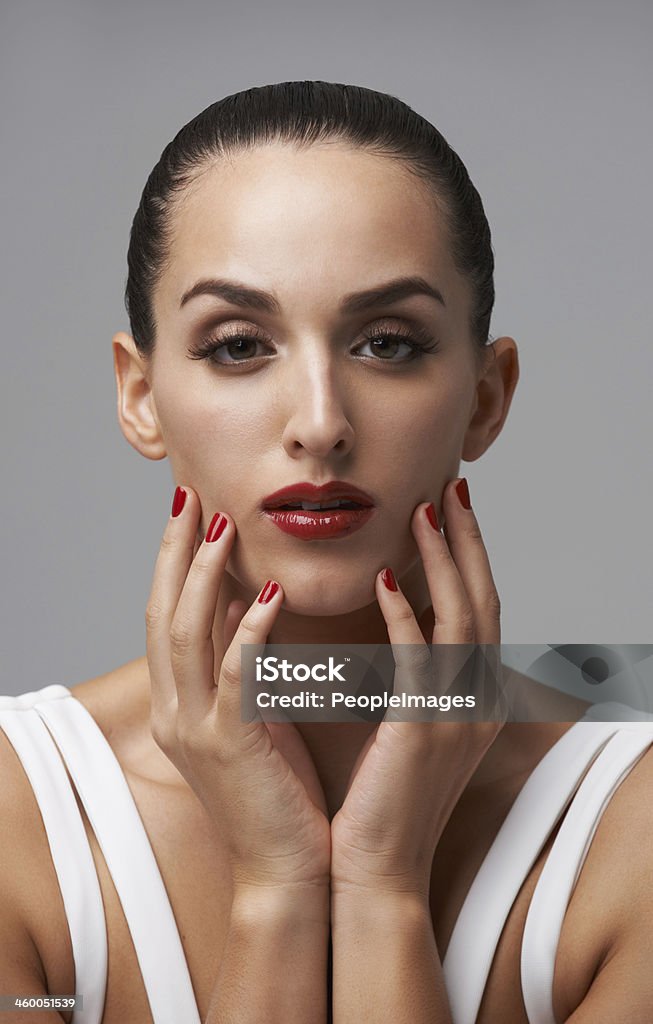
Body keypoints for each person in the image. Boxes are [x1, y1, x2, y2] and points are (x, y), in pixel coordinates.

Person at [1, 80, 652, 1024]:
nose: (319, 424)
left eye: (387, 343)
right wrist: (276, 888)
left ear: (485, 396)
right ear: (140, 395)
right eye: (236, 346)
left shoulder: (632, 822)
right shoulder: (18, 813)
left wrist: (383, 888)